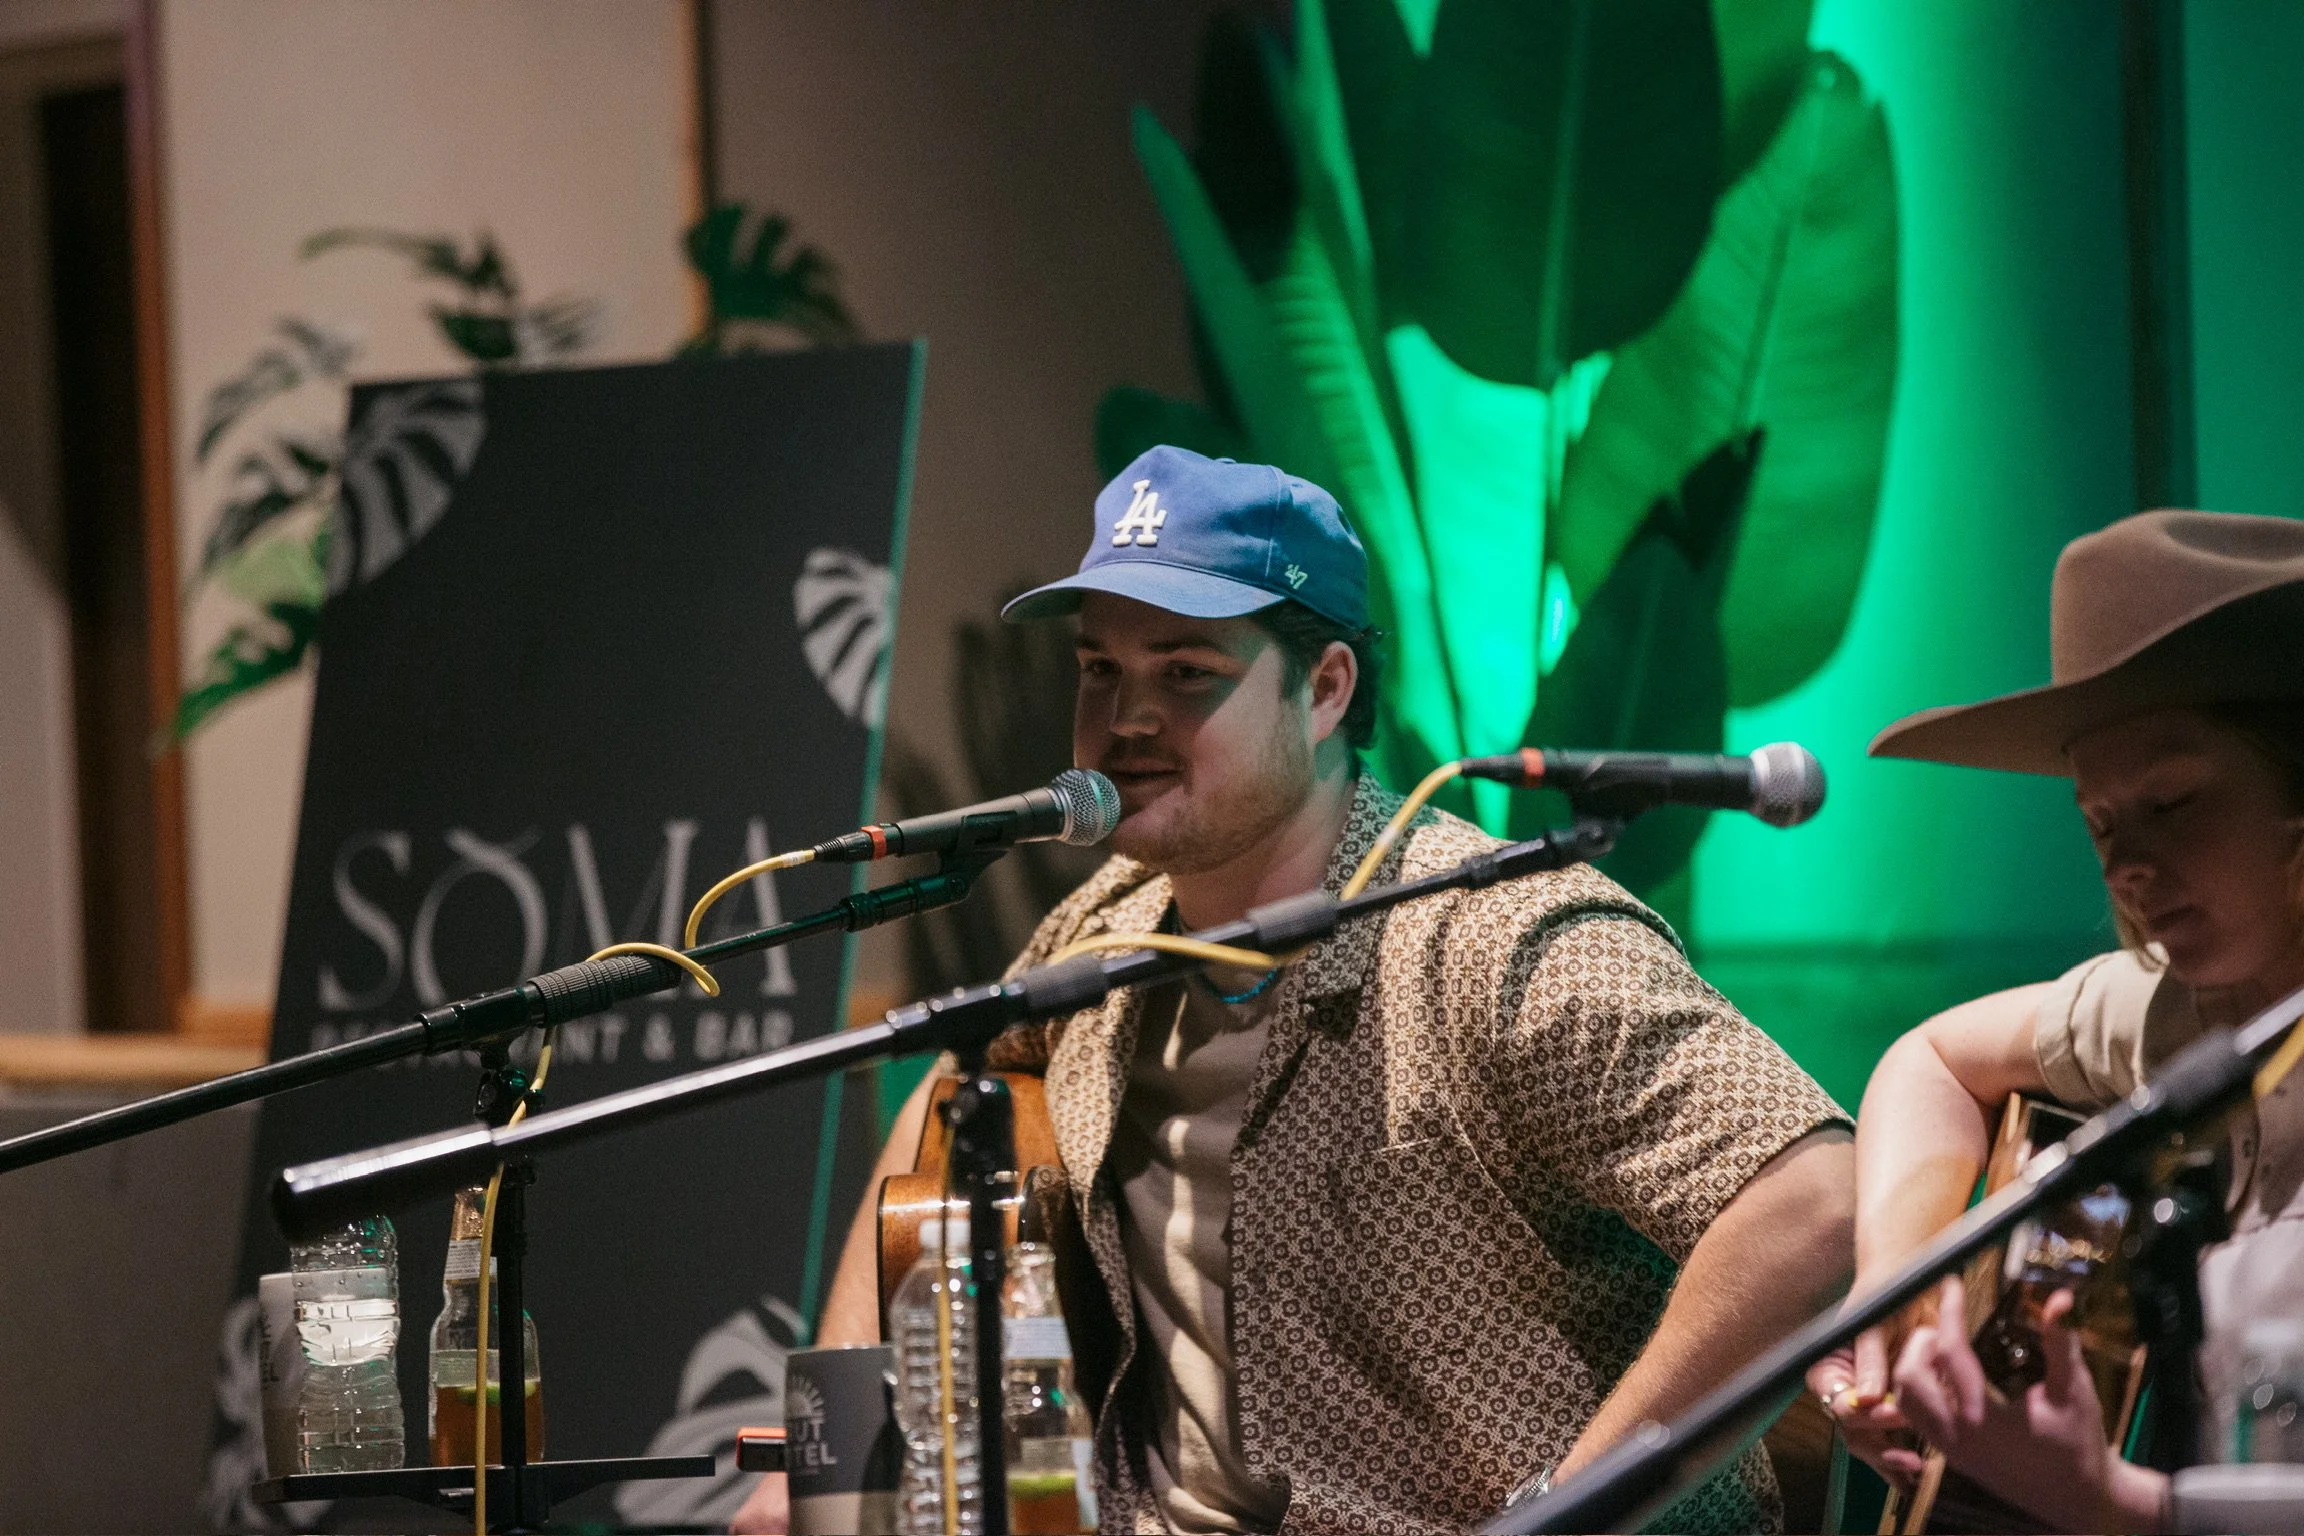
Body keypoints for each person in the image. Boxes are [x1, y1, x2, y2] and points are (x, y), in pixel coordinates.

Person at [736, 446, 1855, 1535]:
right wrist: (820, 1461)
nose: (1124, 720)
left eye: (1185, 673)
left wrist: (1575, 1508)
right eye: (1099, 669)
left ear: (1324, 691)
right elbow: (951, 1082)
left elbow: (1814, 1197)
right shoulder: (1111, 925)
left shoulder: (1502, 946)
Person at [1807, 510, 2304, 1531]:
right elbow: (1931, 1060)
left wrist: (2122, 1507)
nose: (2126, 863)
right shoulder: (2176, 1011)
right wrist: (1901, 1303)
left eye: (2172, 803)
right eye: (2101, 822)